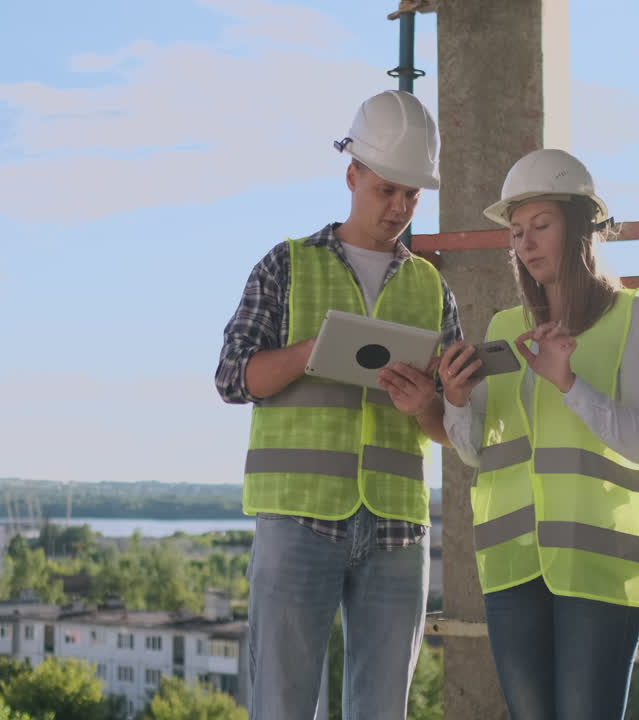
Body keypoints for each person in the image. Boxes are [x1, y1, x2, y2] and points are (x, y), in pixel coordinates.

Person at [214, 89, 462, 719]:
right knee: (282, 704)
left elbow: (451, 427)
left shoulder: (432, 287)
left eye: (412, 194)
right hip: (298, 518)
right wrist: (311, 351)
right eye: (387, 190)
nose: (399, 207)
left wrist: (427, 407)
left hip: (397, 528)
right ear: (352, 175)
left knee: (383, 709)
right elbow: (233, 377)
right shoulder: (287, 266)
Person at [439, 148, 639, 720]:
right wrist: (457, 400)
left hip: (598, 569)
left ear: (580, 225)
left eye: (540, 225)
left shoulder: (632, 318)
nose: (526, 243)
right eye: (517, 233)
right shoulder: (504, 327)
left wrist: (569, 382)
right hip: (513, 568)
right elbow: (475, 451)